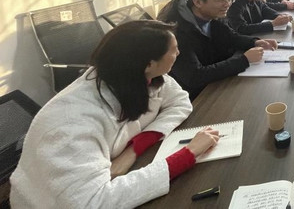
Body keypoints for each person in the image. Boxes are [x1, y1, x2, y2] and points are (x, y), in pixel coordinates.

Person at [10, 20, 219, 208]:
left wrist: (134, 149)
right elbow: (93, 202)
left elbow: (179, 102)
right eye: (174, 50)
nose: (179, 53)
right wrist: (188, 154)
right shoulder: (70, 122)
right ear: (148, 63)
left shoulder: (139, 76)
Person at [158, 0, 277, 99]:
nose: (227, 4)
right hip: (193, 96)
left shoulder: (213, 15)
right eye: (221, 0)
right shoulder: (175, 31)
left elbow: (230, 37)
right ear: (198, 2)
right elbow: (194, 76)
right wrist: (244, 60)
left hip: (216, 81)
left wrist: (255, 42)